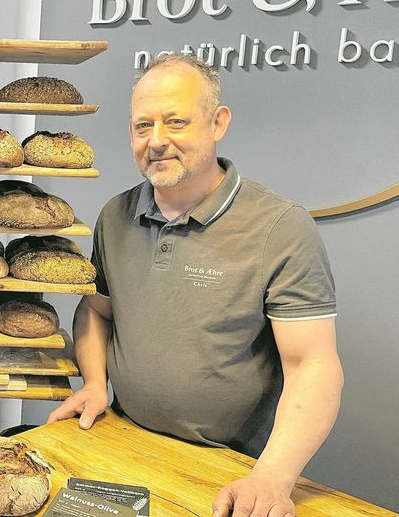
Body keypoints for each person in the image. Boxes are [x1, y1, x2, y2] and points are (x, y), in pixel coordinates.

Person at [47, 54, 344, 517]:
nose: (157, 140)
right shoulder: (115, 216)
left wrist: (273, 476)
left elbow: (313, 366)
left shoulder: (280, 227)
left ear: (218, 122)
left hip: (230, 469)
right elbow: (95, 310)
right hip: (121, 440)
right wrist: (94, 382)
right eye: (143, 126)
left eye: (176, 121)